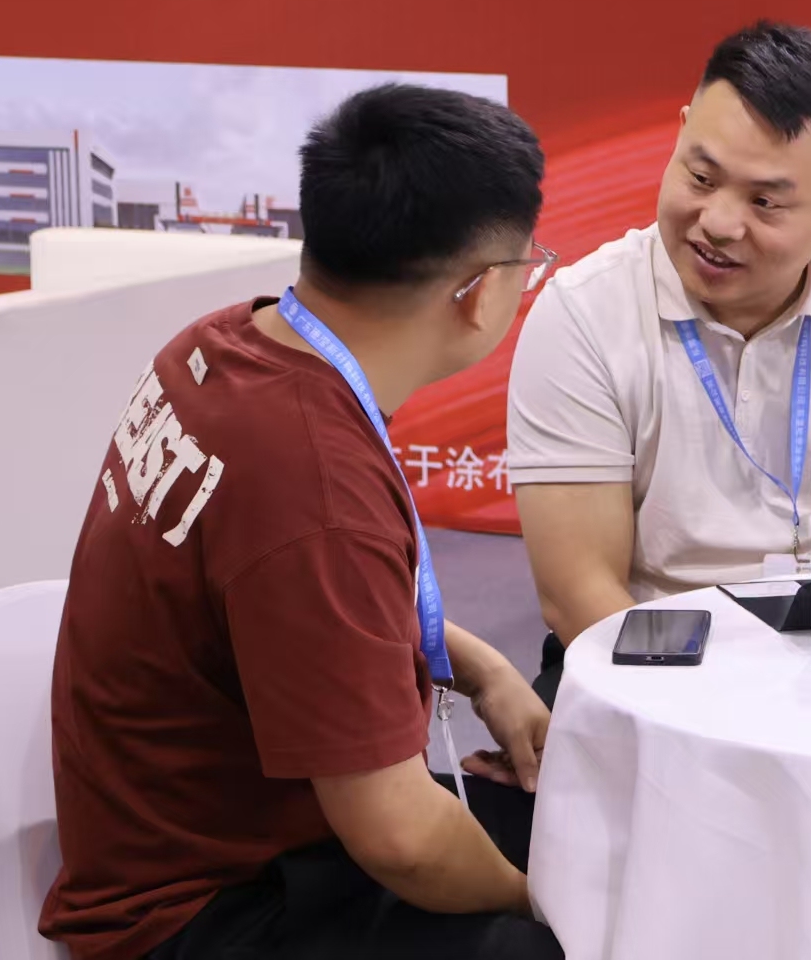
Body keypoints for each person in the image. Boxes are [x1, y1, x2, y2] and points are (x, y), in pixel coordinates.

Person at [41, 85, 564, 960]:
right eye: (528, 264)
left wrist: (476, 665)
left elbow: (293, 601)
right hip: (202, 907)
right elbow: (399, 837)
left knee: (572, 821)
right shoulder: (316, 488)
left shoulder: (222, 344)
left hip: (208, 827)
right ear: (478, 294)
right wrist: (546, 906)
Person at [508, 20, 811, 676]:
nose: (719, 224)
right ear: (678, 137)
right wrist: (722, 714)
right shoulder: (584, 311)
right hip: (648, 661)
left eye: (764, 201)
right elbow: (579, 595)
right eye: (701, 178)